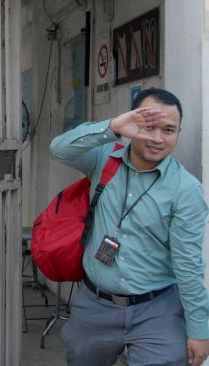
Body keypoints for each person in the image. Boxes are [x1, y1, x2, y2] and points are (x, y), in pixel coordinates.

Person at [51, 88, 209, 366]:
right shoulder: (103, 160)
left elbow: (188, 265)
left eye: (169, 130)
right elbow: (59, 149)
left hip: (156, 309)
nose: (158, 138)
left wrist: (199, 330)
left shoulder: (186, 190)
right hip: (94, 304)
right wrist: (113, 127)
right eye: (149, 128)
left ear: (178, 132)